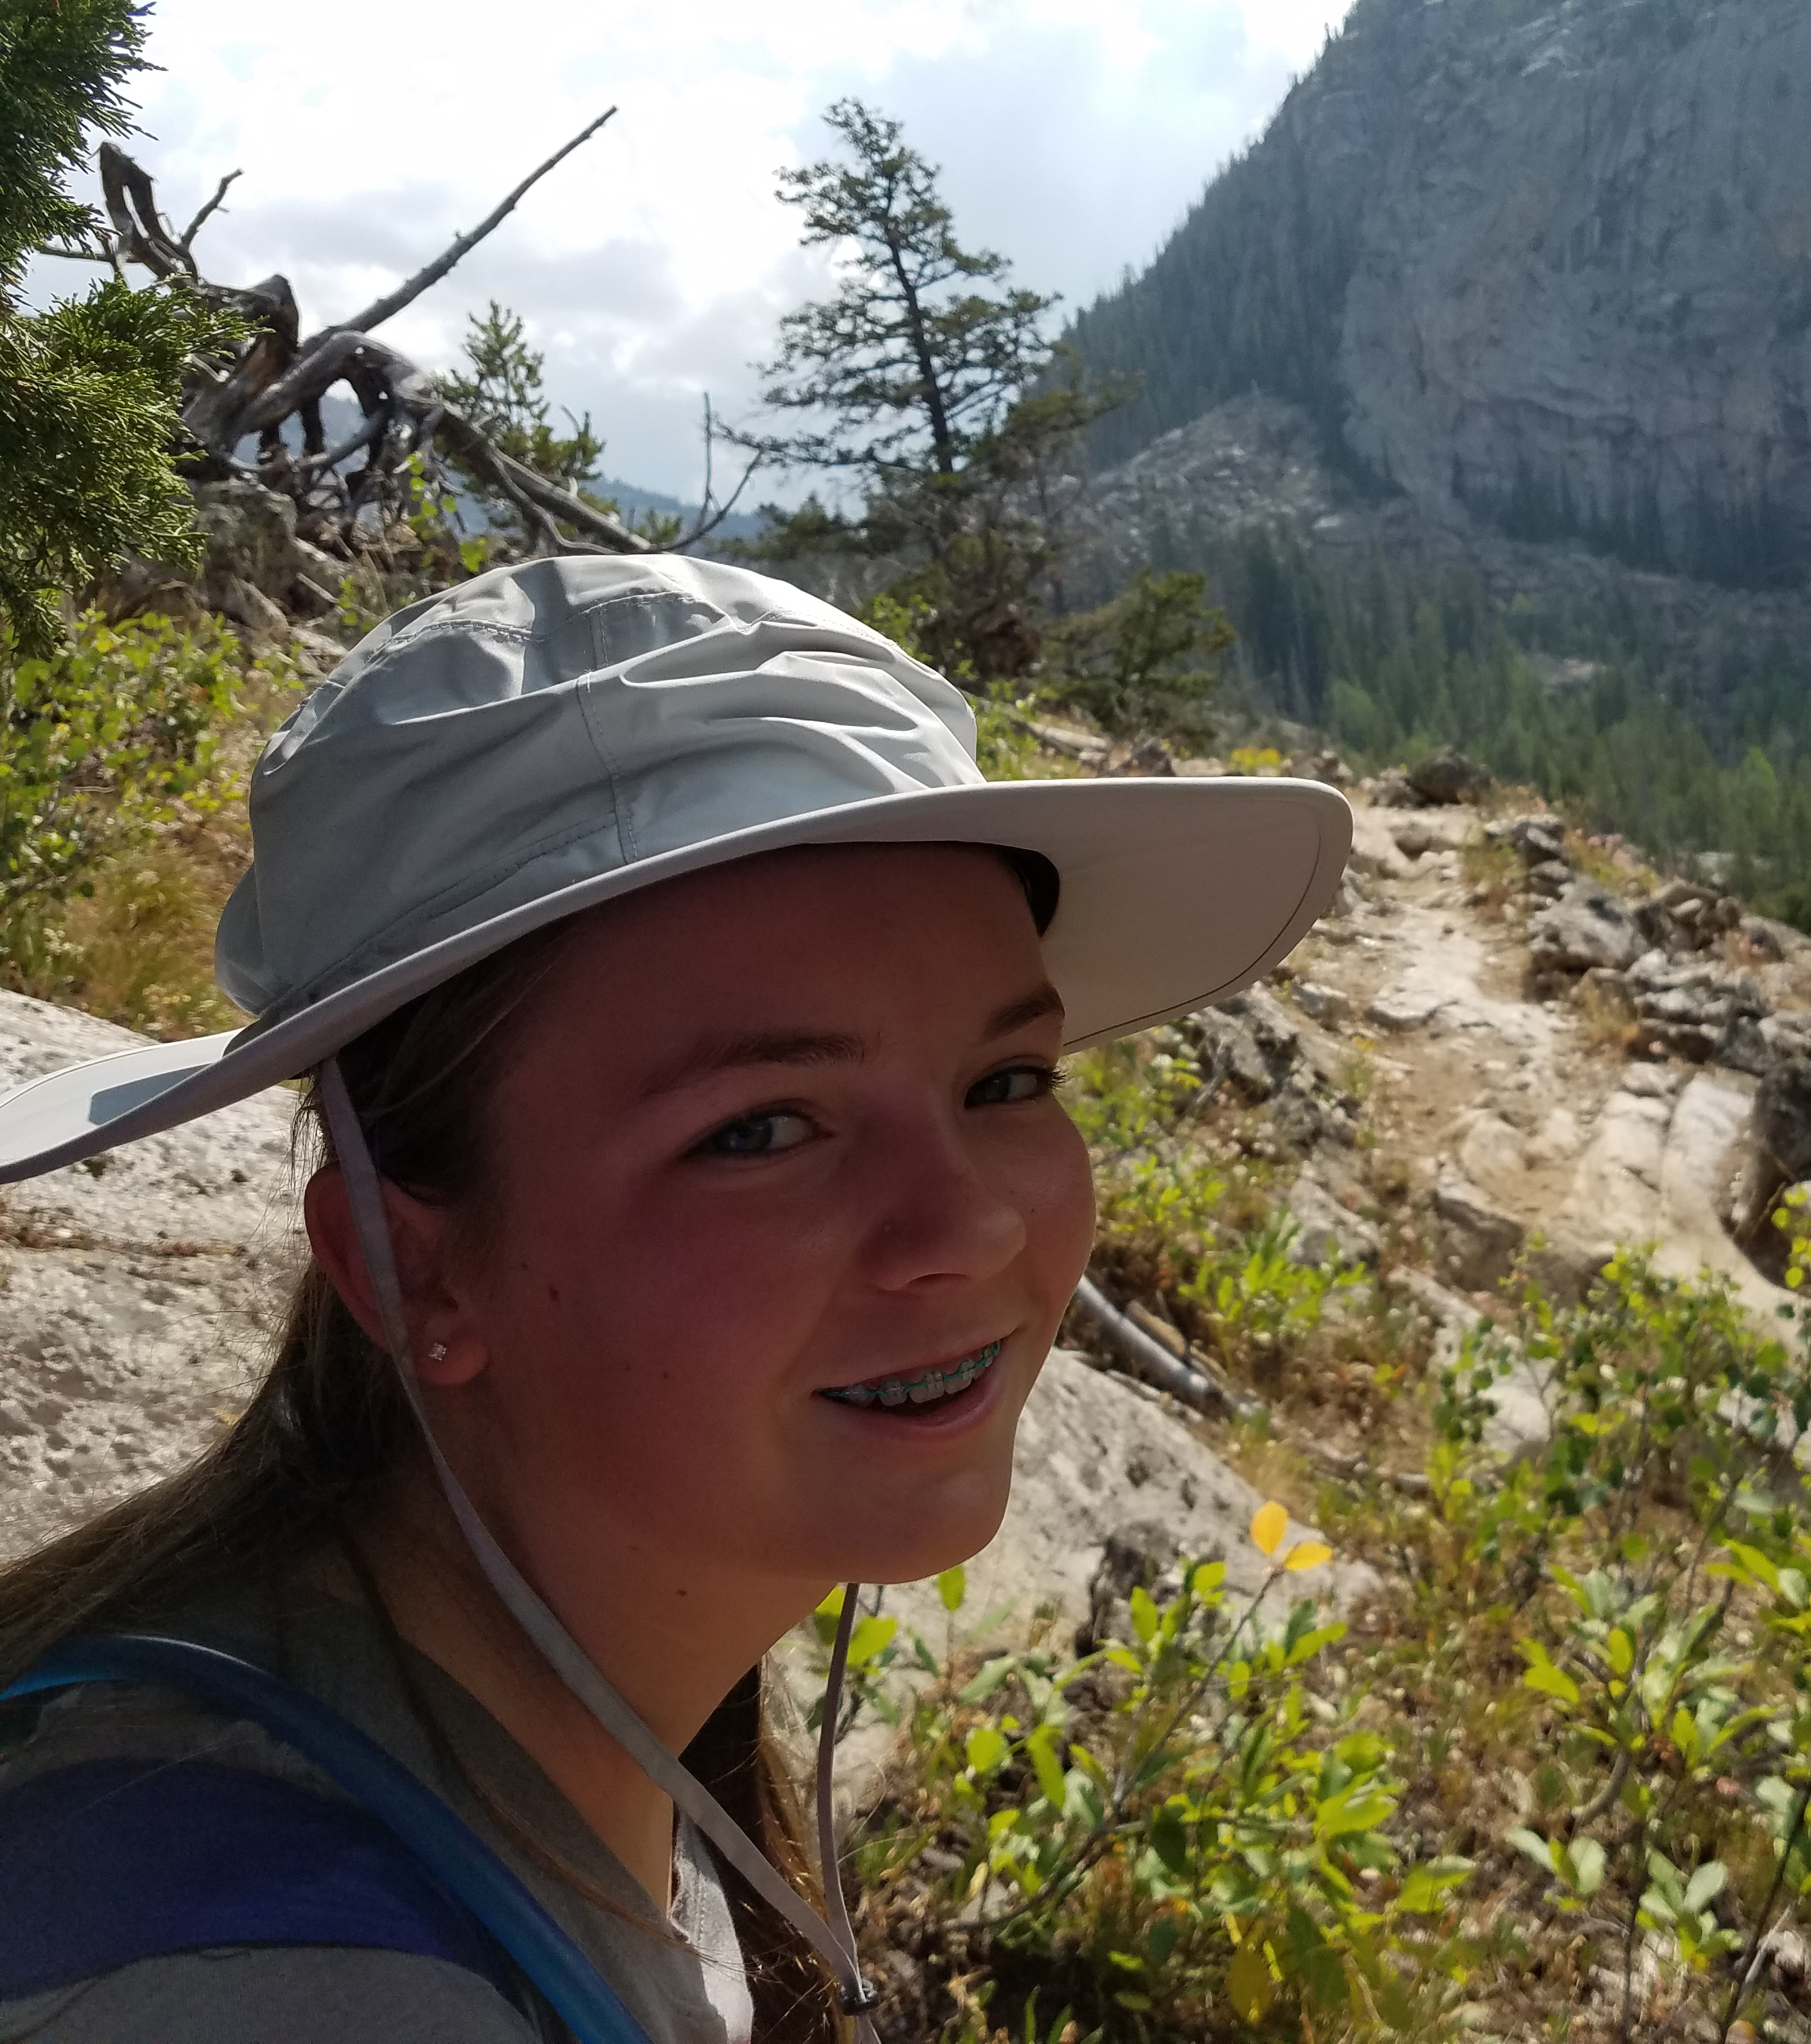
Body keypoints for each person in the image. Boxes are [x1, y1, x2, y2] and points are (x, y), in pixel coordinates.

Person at [0, 556, 1350, 2043]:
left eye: (1005, 1082)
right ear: (413, 1263)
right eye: (762, 1128)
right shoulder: (258, 1973)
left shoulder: (581, 1750)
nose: (963, 1222)